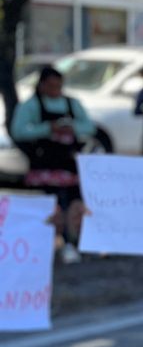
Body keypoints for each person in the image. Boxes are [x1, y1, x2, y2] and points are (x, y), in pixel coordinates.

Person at [10, 66, 95, 263]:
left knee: (71, 205)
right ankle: (42, 244)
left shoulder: (72, 104)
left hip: (68, 165)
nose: (55, 89)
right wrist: (47, 129)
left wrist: (71, 128)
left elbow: (89, 126)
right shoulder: (31, 106)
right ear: (41, 85)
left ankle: (70, 242)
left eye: (59, 85)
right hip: (44, 166)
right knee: (48, 207)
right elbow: (19, 131)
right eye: (51, 85)